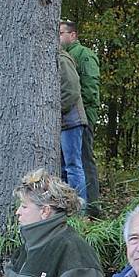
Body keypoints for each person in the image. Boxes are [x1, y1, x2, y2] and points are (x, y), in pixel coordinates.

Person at [60, 21, 102, 216]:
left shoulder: (84, 55)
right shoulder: (63, 55)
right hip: (71, 117)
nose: (58, 37)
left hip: (79, 117)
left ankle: (91, 206)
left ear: (73, 35)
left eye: (61, 33)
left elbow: (90, 89)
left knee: (83, 161)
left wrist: (87, 115)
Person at [59, 48, 89, 202]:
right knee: (63, 168)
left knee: (73, 166)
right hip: (64, 122)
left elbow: (71, 90)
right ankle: (66, 207)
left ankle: (79, 208)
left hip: (71, 120)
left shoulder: (62, 59)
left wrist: (55, 111)